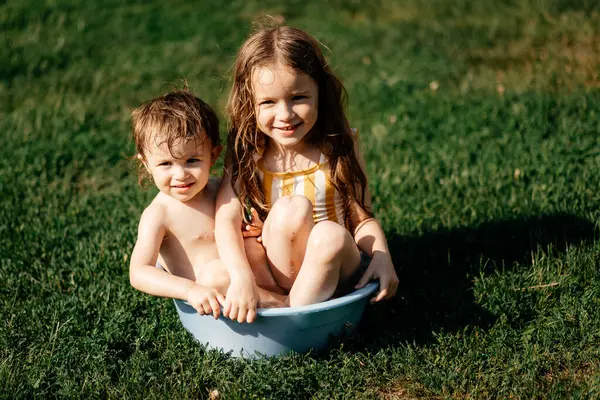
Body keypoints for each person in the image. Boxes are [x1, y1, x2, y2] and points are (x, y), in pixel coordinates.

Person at [215, 25, 399, 324]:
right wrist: (240, 277)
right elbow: (225, 216)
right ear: (250, 103)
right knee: (219, 267)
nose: (285, 115)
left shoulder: (340, 144)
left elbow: (362, 218)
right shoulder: (249, 151)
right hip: (277, 269)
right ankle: (291, 305)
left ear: (320, 93)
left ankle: (285, 314)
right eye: (268, 102)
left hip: (335, 267)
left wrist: (382, 255)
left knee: (329, 235)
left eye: (298, 97)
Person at [128, 89, 284, 319]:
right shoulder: (159, 214)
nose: (180, 174)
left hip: (248, 280)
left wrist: (257, 230)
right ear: (146, 163)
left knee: (253, 248)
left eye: (192, 161)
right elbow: (139, 272)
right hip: (214, 297)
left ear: (214, 154)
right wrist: (190, 289)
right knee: (216, 274)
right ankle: (289, 306)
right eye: (165, 164)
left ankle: (286, 295)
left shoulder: (220, 191)